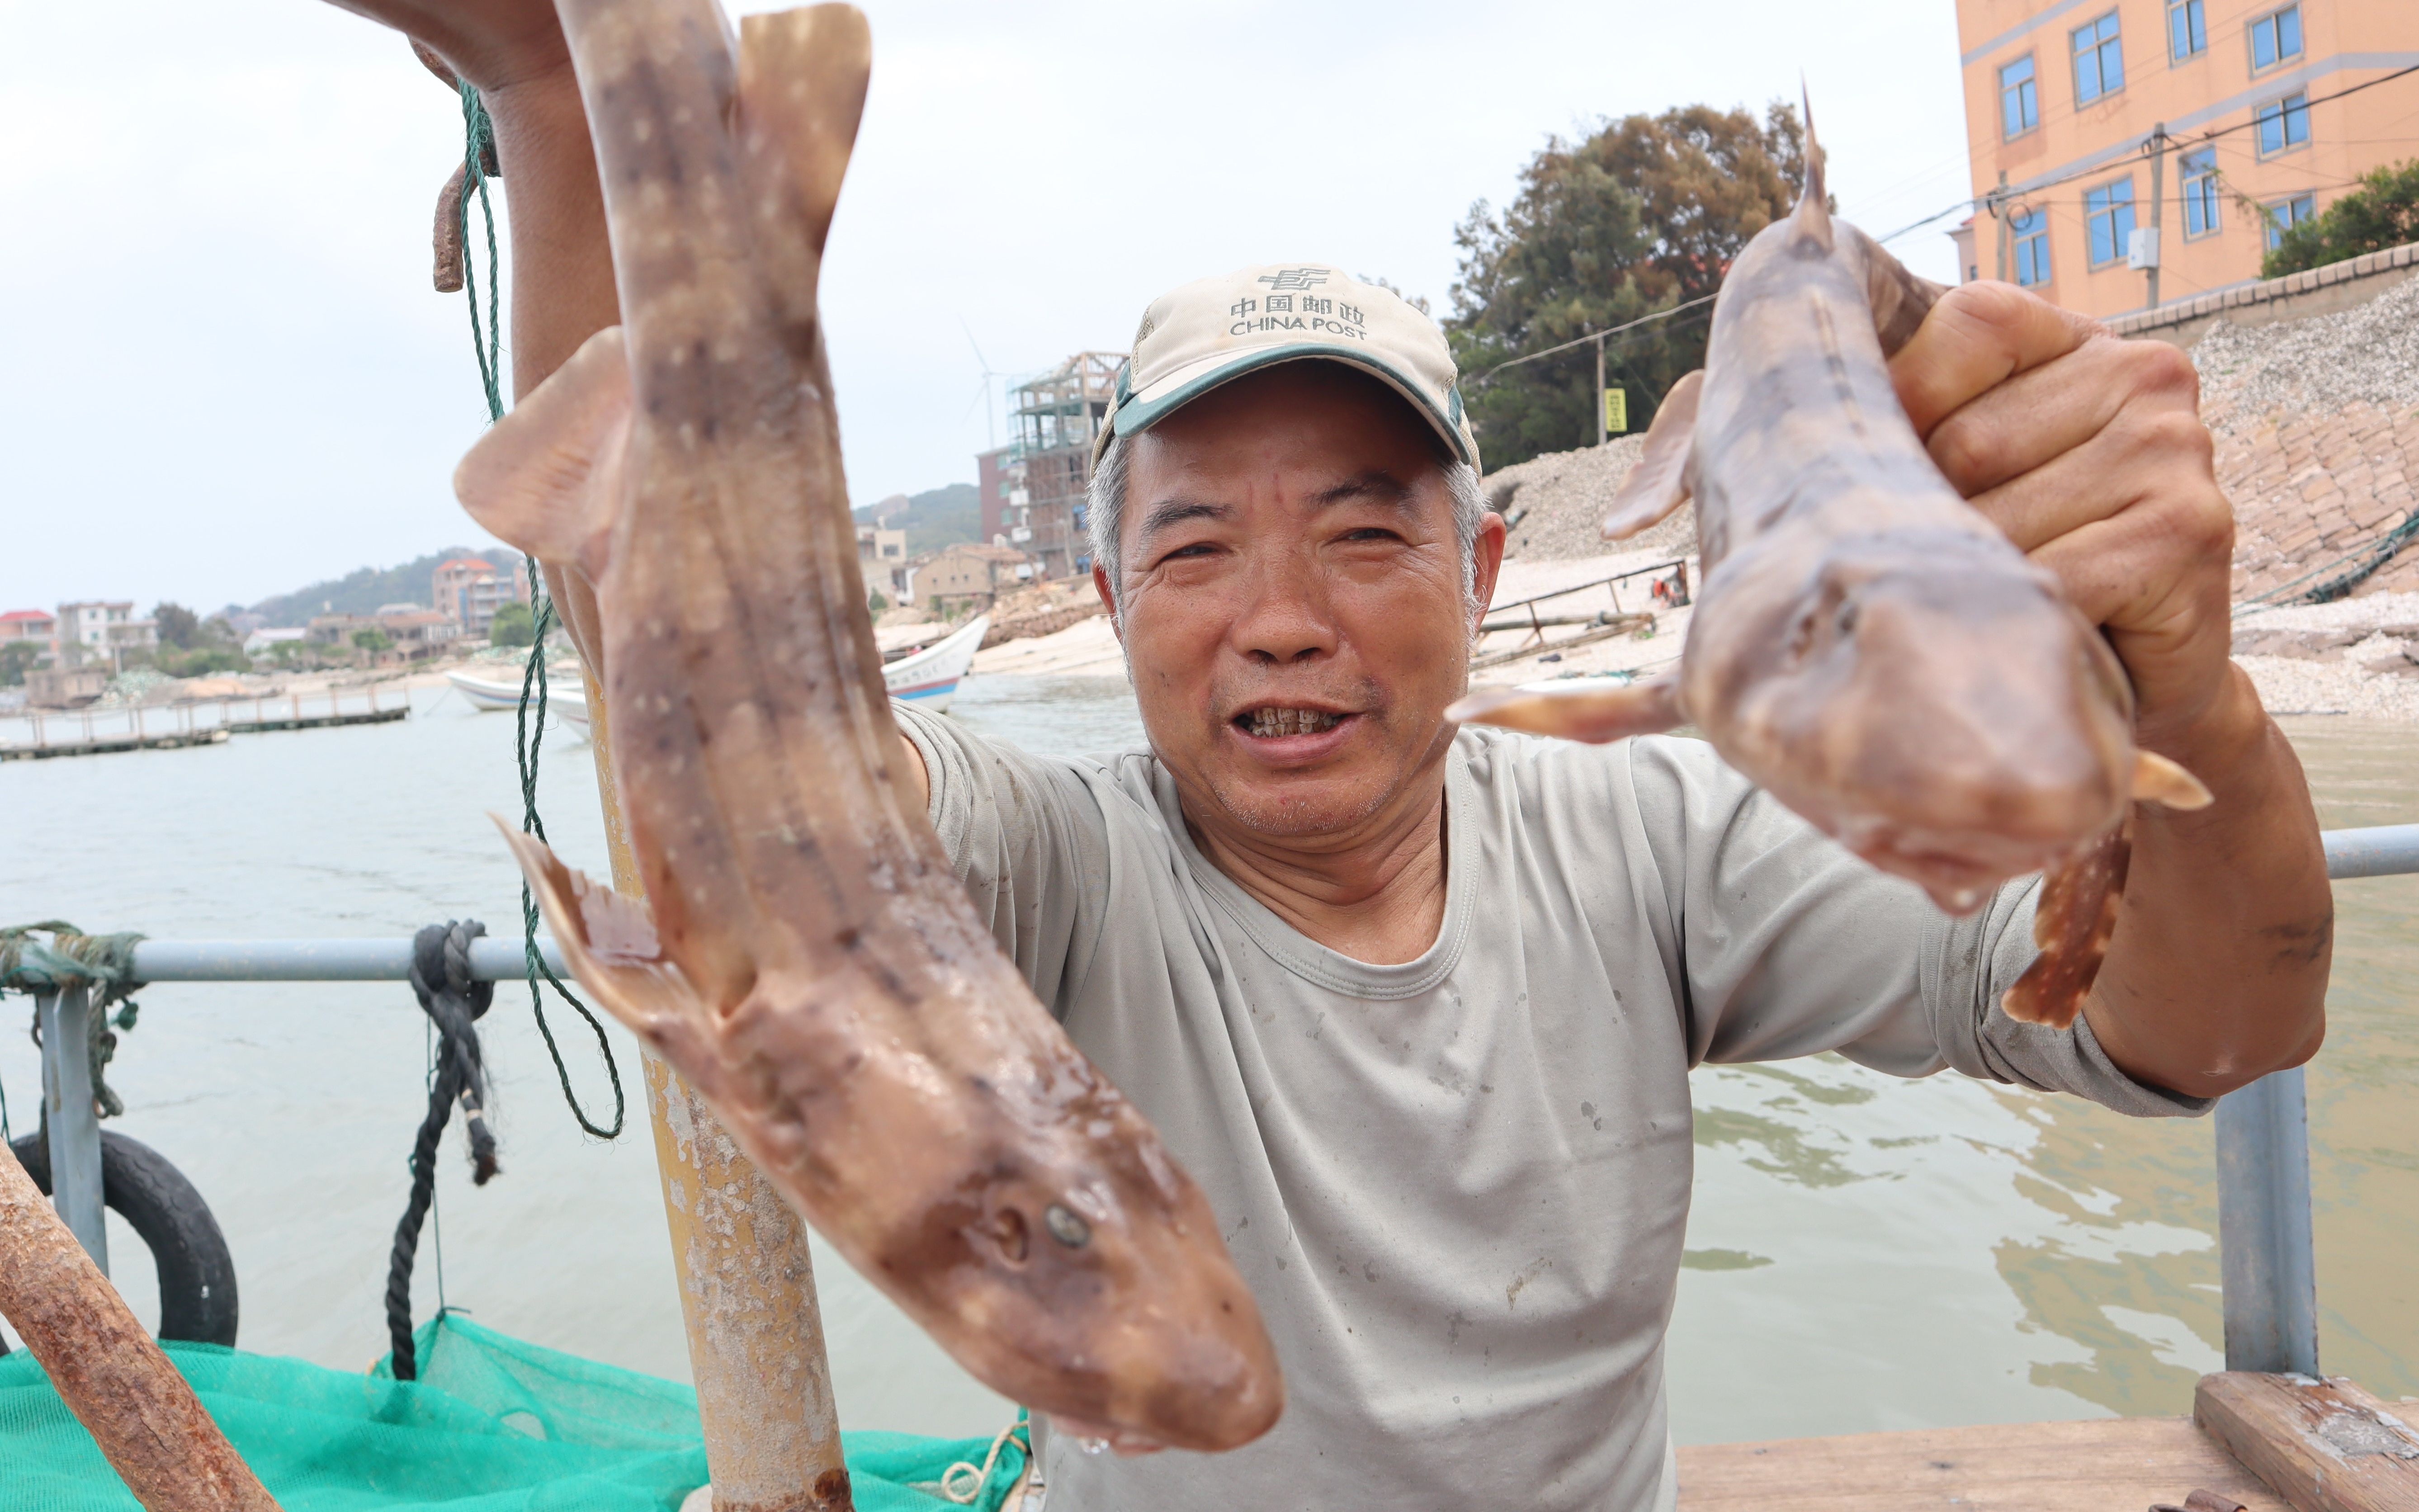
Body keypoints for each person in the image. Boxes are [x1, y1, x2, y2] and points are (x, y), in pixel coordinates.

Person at [333, 6, 2333, 1508]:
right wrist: (554, 96)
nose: (1279, 611)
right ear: (1105, 599)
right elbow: (718, 717)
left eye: (1365, 529)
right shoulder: (1055, 870)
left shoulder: (1643, 837)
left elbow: (2191, 1034)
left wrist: (2191, 696)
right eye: (1195, 542)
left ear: (1482, 564)